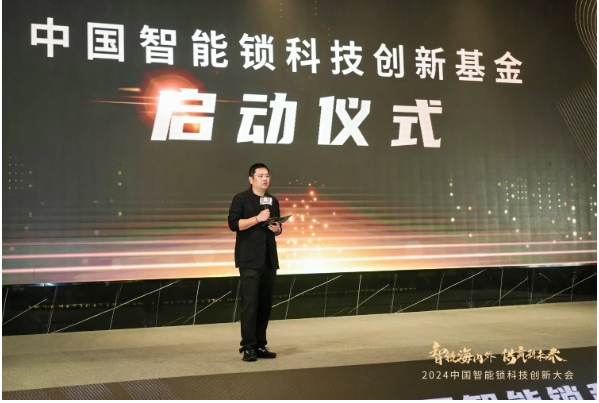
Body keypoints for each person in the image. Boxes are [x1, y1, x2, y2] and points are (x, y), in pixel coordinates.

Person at [227, 163, 283, 362]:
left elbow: (276, 226)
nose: (265, 179)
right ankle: (248, 346)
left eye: (267, 175)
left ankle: (260, 345)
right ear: (251, 179)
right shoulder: (241, 199)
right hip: (249, 259)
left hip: (269, 259)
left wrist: (277, 229)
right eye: (260, 176)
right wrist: (257, 218)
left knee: (265, 304)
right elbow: (234, 224)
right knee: (250, 304)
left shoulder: (272, 201)